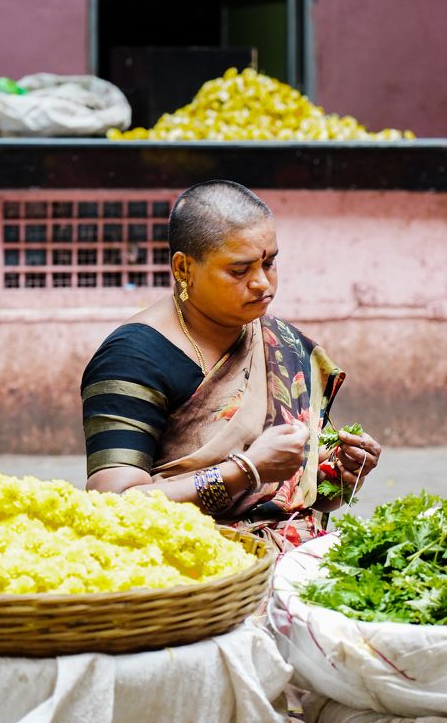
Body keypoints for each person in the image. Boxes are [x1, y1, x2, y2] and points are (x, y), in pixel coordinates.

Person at [81, 180, 381, 550]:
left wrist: (343, 473)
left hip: (295, 563)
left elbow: (304, 497)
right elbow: (111, 510)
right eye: (239, 271)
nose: (261, 283)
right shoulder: (133, 359)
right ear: (183, 268)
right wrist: (246, 471)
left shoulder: (284, 344)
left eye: (269, 263)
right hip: (191, 572)